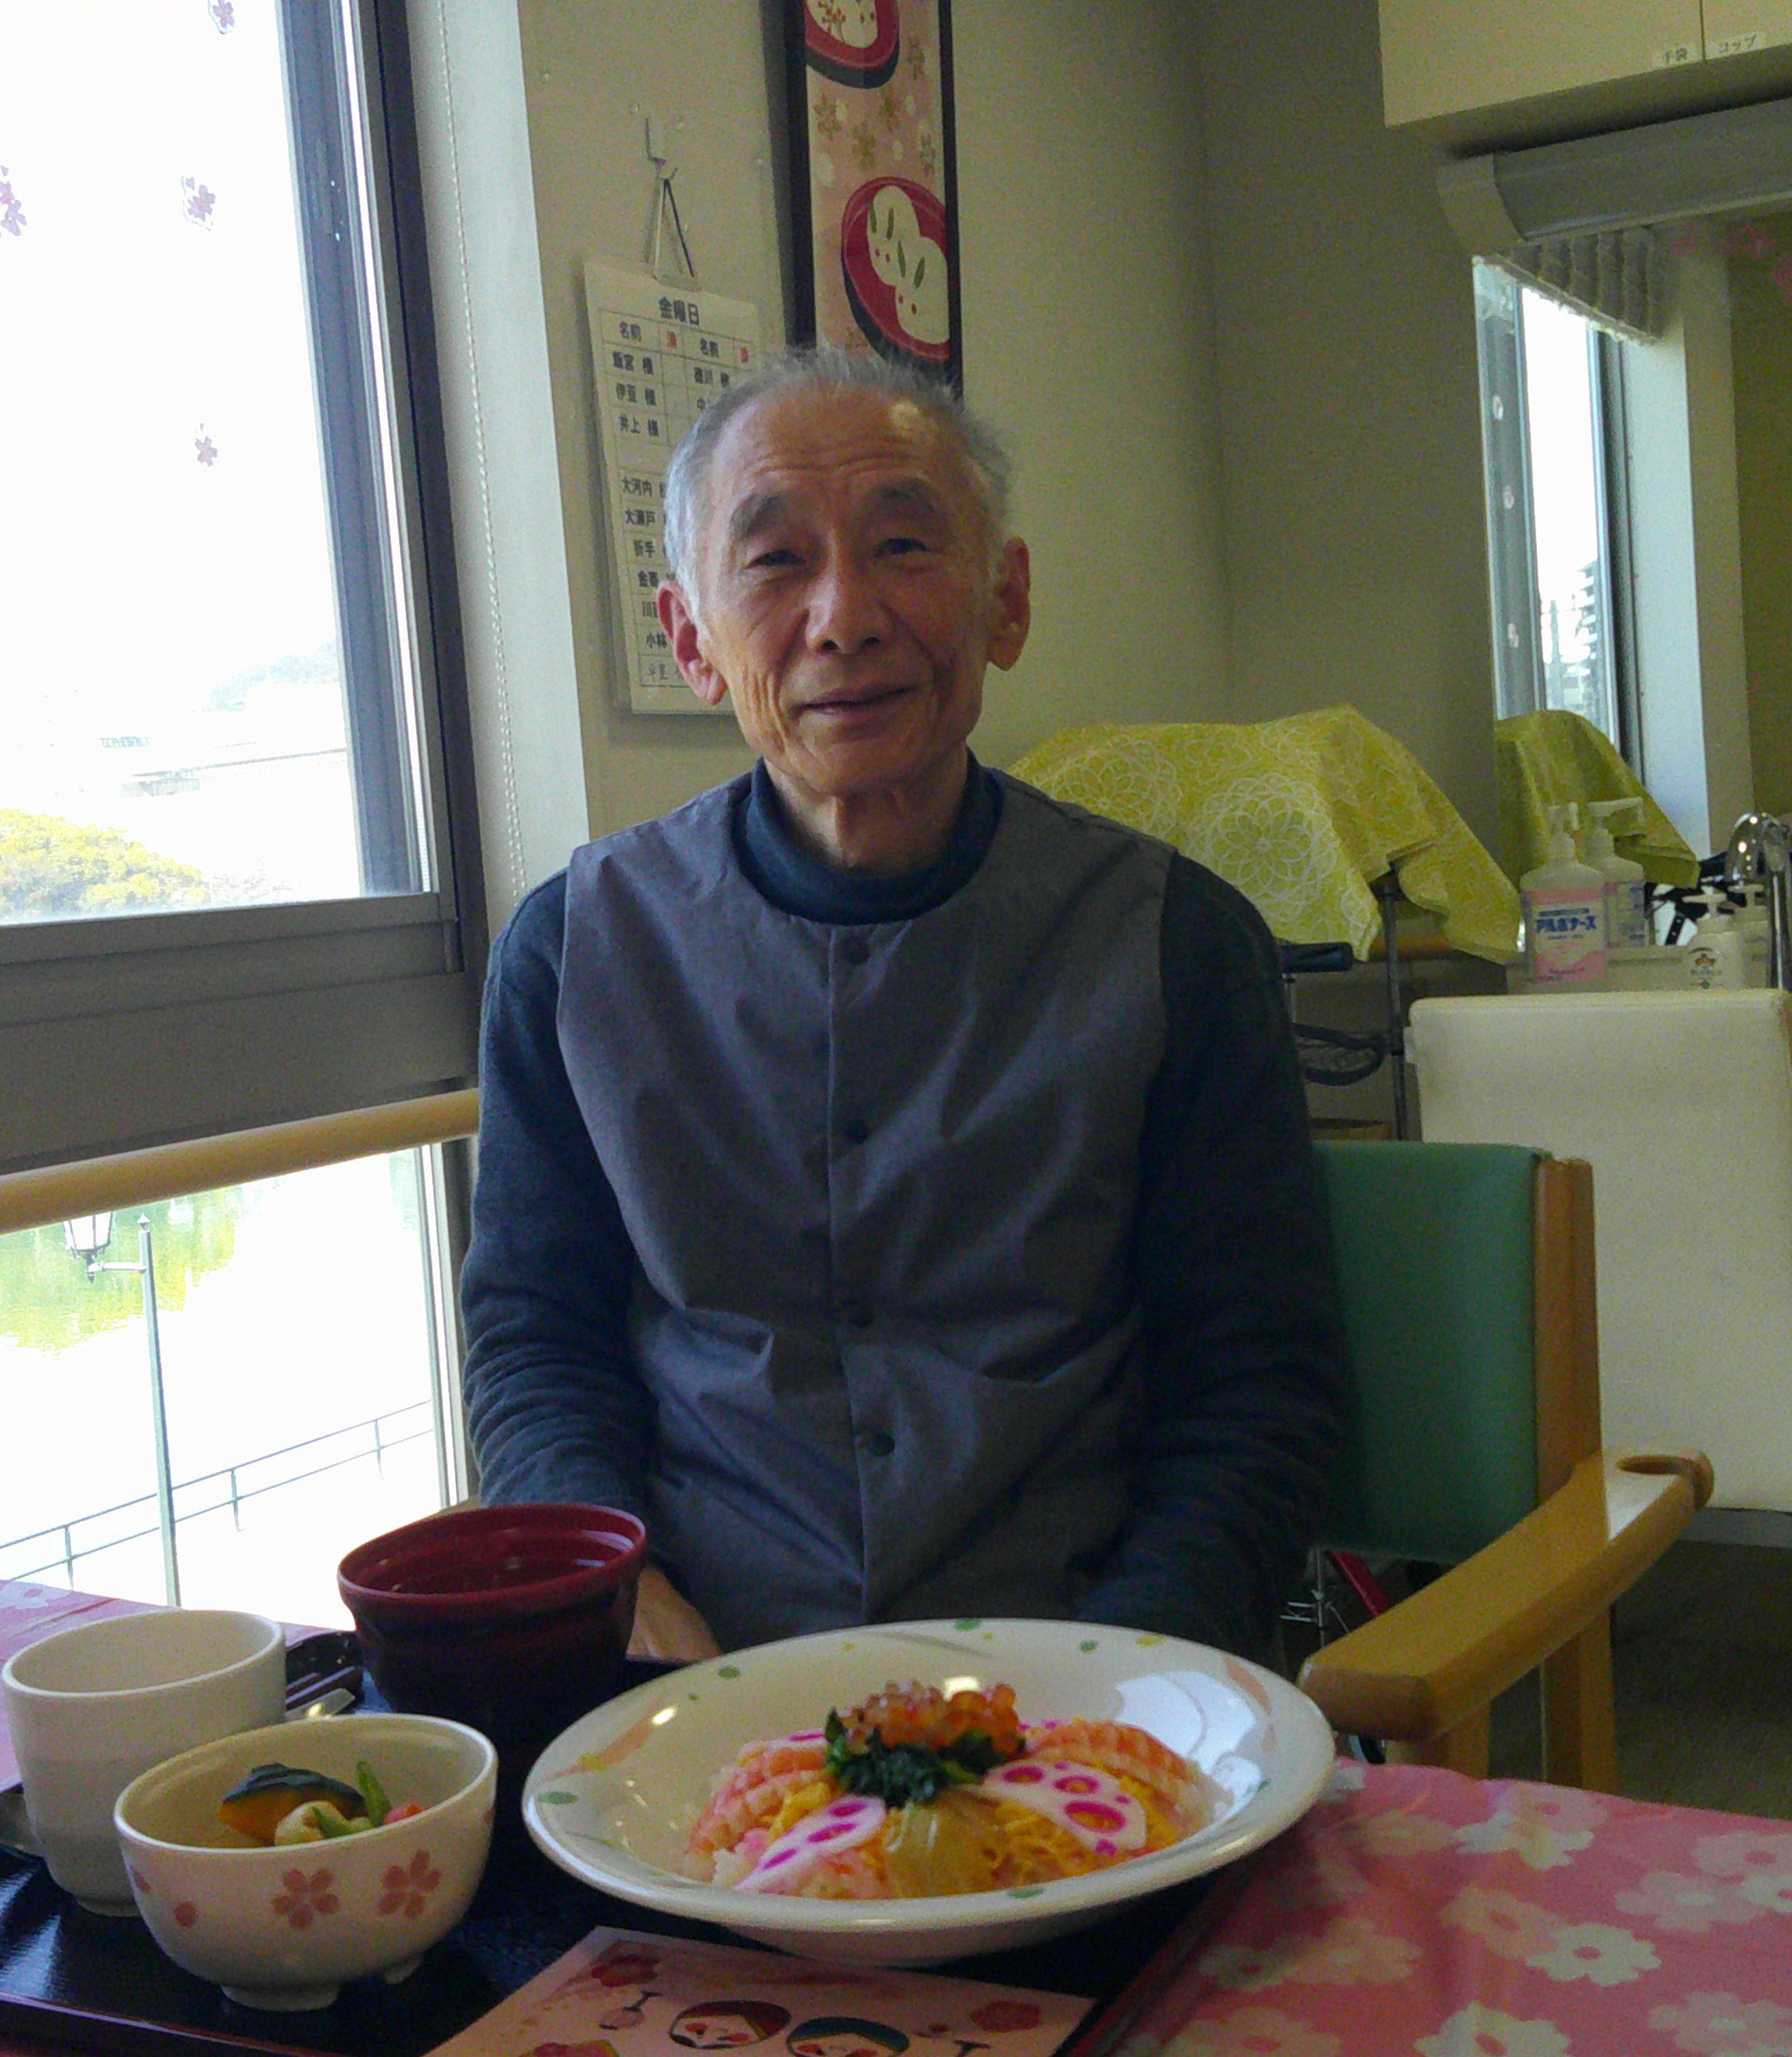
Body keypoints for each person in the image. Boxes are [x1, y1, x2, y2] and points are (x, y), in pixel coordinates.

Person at [459, 346, 1341, 1664]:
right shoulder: (571, 953)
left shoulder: (1178, 943)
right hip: (698, 1676)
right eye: (776, 562)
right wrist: (614, 1596)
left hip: (1094, 1666)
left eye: (904, 546)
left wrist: (1125, 1679)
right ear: (692, 640)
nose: (845, 617)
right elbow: (536, 1341)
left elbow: (1259, 1385)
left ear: (1007, 602)